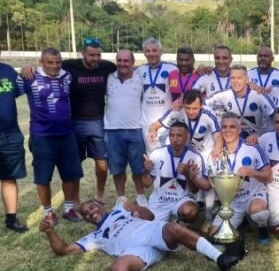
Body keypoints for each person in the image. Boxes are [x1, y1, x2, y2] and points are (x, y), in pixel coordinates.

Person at [38, 198, 239, 271]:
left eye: (91, 208)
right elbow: (63, 250)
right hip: (136, 250)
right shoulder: (95, 236)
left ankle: (219, 258)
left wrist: (135, 208)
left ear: (100, 206)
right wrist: (50, 232)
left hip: (150, 231)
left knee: (175, 228)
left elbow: (150, 217)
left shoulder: (119, 210)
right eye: (86, 214)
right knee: (118, 265)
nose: (90, 213)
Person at [19, 37, 116, 205]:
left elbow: (126, 68)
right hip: (75, 122)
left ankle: (100, 195)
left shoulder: (107, 66)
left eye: (98, 55)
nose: (96, 59)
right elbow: (48, 66)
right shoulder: (69, 66)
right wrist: (27, 68)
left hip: (98, 121)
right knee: (74, 165)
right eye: (92, 55)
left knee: (102, 161)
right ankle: (75, 200)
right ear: (83, 53)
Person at [16, 48, 84, 224]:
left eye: (58, 62)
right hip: (42, 136)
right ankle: (48, 212)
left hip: (67, 134)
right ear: (41, 61)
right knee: (43, 177)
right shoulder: (28, 77)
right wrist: (24, 68)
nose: (54, 66)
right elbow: (9, 94)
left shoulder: (67, 77)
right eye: (50, 62)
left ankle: (68, 209)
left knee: (69, 174)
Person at [148, 89, 222, 222]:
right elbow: (156, 124)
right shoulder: (177, 110)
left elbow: (218, 135)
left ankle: (208, 213)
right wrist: (152, 131)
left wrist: (216, 150)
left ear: (202, 105)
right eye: (188, 108)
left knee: (208, 175)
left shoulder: (208, 113)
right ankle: (176, 203)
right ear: (183, 104)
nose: (191, 111)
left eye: (195, 108)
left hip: (205, 151)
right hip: (185, 150)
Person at [207, 113, 273, 244]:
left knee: (259, 212)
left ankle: (262, 229)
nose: (228, 130)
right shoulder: (215, 154)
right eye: (224, 127)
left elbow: (269, 176)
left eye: (232, 127)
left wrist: (253, 172)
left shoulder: (252, 148)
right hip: (232, 203)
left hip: (253, 196)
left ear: (239, 129)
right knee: (214, 236)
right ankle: (241, 220)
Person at [143, 122, 210, 224]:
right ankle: (168, 220)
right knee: (147, 225)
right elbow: (146, 184)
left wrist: (188, 175)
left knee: (190, 211)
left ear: (187, 137)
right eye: (171, 135)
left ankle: (180, 222)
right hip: (159, 202)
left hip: (181, 200)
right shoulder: (157, 154)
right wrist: (147, 170)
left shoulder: (195, 157)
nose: (174, 139)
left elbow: (195, 191)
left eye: (179, 135)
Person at [104, 49, 147, 206]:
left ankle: (141, 197)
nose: (122, 64)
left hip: (135, 130)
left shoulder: (140, 78)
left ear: (132, 62)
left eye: (126, 60)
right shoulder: (109, 78)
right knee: (117, 168)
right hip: (112, 131)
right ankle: (121, 197)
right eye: (119, 60)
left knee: (138, 168)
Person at [204, 65, 275, 141]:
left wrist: (261, 135)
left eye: (239, 78)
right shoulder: (223, 95)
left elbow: (276, 116)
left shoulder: (259, 96)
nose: (235, 81)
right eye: (233, 78)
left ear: (247, 80)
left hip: (256, 143)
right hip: (233, 143)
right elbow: (200, 104)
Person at [0, 54, 27, 232]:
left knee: (9, 177)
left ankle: (11, 219)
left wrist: (26, 72)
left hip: (9, 133)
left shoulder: (7, 71)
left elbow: (20, 89)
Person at [137, 38, 178, 152]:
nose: (151, 54)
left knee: (170, 158)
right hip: (147, 124)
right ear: (144, 53)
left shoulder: (172, 69)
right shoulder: (139, 71)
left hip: (167, 123)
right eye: (148, 51)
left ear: (161, 52)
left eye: (154, 50)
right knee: (153, 160)